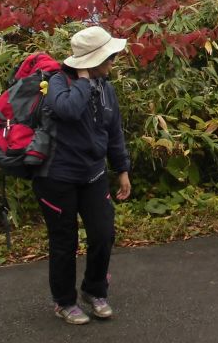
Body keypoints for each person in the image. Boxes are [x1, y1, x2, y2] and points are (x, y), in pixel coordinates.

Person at [34, 25, 132, 324]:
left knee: (103, 234)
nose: (112, 63)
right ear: (92, 61)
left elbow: (113, 131)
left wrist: (123, 169)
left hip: (93, 174)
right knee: (65, 241)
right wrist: (84, 81)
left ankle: (94, 290)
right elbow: (67, 110)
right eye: (108, 58)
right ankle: (64, 301)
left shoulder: (107, 89)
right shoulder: (57, 84)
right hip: (56, 177)